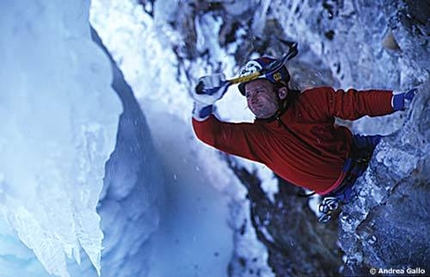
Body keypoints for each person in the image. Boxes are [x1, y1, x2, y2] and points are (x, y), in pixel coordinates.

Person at [190, 56, 417, 222]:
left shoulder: (311, 102)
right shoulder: (257, 140)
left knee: (419, 153)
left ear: (281, 91)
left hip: (363, 150)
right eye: (248, 95)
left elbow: (355, 104)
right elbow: (211, 134)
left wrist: (400, 101)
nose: (252, 100)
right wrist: (202, 104)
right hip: (347, 192)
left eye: (258, 91)